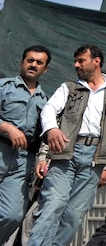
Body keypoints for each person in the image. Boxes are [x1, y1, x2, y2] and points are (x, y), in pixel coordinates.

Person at [28, 44, 106, 246]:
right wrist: (52, 129)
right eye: (75, 61)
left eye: (81, 60)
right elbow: (48, 110)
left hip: (95, 159)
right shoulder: (68, 87)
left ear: (96, 61)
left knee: (73, 216)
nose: (76, 65)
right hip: (66, 153)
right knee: (52, 206)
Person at [0, 45, 51, 243]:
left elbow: (45, 135)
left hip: (23, 161)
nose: (33, 65)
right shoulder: (4, 87)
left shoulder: (46, 101)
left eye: (39, 62)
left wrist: (41, 159)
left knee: (12, 215)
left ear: (45, 69)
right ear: (22, 62)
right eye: (30, 60)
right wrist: (7, 128)